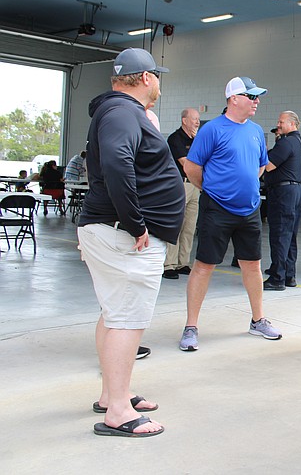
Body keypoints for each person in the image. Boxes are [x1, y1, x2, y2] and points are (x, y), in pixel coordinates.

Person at [77, 48, 184, 437]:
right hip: (126, 234)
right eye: (157, 75)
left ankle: (112, 394)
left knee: (113, 313)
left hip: (112, 228)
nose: (158, 82)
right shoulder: (123, 112)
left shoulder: (118, 113)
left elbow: (107, 167)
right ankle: (119, 412)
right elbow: (118, 165)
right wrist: (134, 222)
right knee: (127, 319)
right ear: (145, 78)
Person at [179, 76, 282, 351]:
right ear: (234, 99)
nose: (256, 101)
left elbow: (260, 167)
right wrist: (213, 190)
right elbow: (192, 168)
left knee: (252, 265)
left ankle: (258, 320)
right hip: (217, 209)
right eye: (251, 96)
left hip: (249, 210)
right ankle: (191, 326)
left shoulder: (256, 131)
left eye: (257, 96)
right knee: (204, 266)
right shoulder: (212, 129)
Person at [263, 111, 301, 290]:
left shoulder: (286, 142)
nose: (278, 125)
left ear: (292, 123)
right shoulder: (299, 143)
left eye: (281, 122)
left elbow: (268, 165)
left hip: (283, 193)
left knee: (280, 234)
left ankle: (277, 278)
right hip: (295, 191)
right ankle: (289, 274)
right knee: (290, 235)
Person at [163, 108, 201, 280]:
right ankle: (169, 264)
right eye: (194, 119)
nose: (197, 122)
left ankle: (183, 262)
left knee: (189, 227)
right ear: (184, 120)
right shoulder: (175, 138)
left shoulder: (197, 139)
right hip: (180, 185)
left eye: (198, 119)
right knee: (176, 225)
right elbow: (186, 163)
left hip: (195, 186)